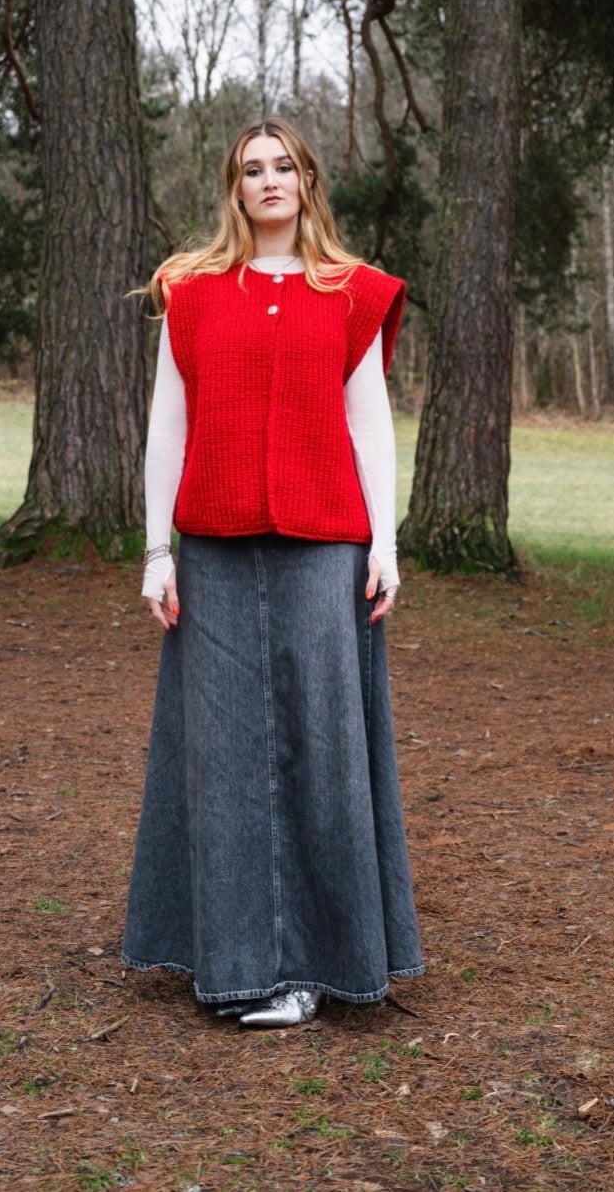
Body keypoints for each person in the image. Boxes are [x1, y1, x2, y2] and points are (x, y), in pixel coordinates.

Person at [121, 117, 424, 1028]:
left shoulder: (351, 292)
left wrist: (385, 545)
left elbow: (369, 426)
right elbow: (167, 427)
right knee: (222, 758)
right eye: (251, 169)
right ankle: (238, 962)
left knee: (324, 750)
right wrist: (157, 551)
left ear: (307, 180)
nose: (268, 180)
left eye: (283, 166)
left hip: (325, 551)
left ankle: (321, 966)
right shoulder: (191, 292)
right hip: (214, 554)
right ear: (234, 189)